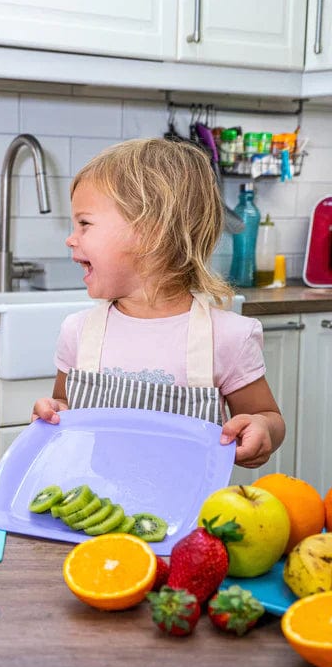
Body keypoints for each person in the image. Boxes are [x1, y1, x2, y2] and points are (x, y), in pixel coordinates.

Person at [32, 138, 284, 469]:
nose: (71, 237)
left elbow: (267, 416)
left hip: (189, 518)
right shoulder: (78, 331)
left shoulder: (226, 336)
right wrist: (53, 411)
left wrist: (262, 428)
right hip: (95, 512)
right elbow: (64, 403)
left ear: (152, 232)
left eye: (84, 223)